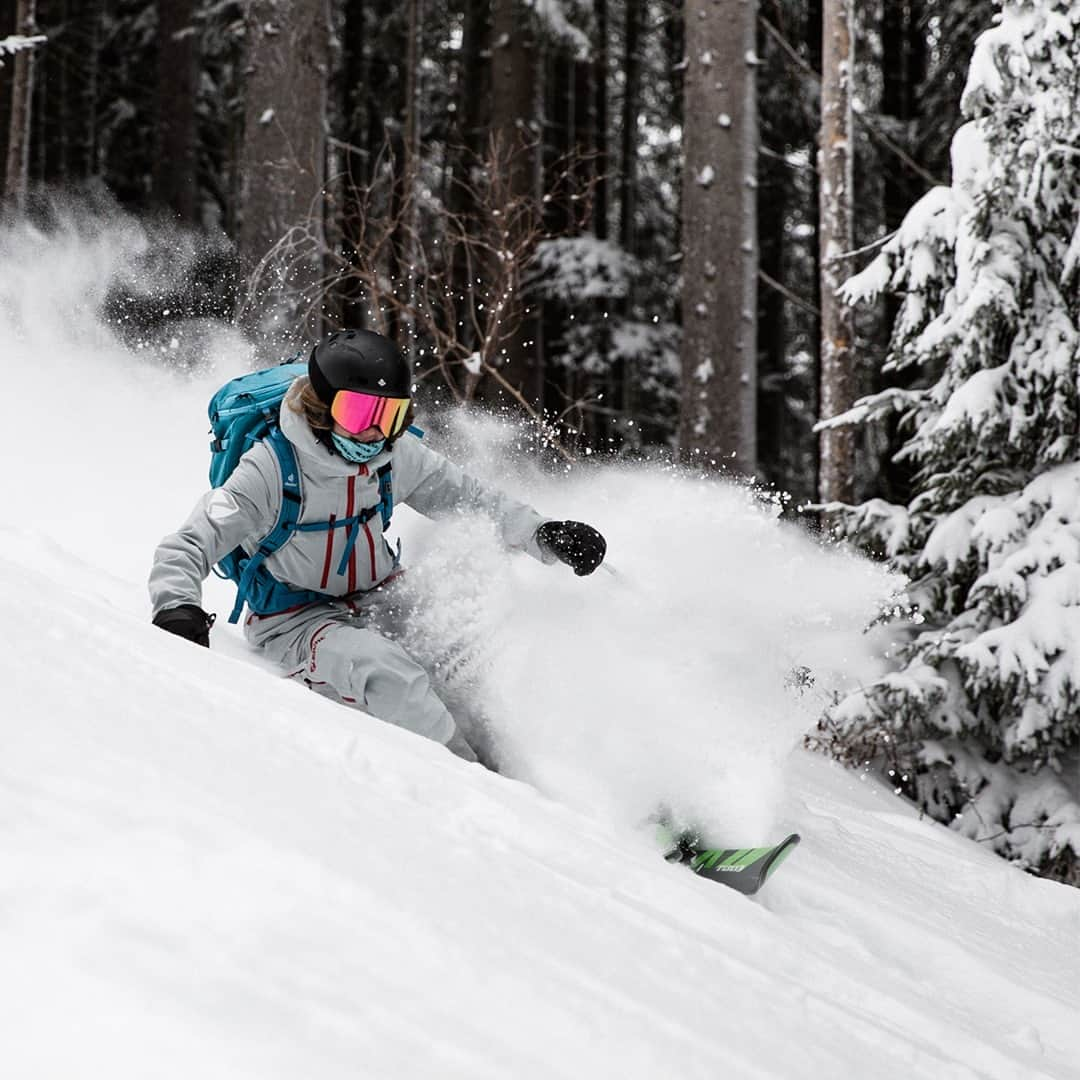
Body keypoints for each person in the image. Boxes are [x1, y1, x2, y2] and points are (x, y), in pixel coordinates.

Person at [149, 329, 606, 762]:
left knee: (482, 658)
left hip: (382, 596)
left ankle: (575, 776)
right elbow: (189, 543)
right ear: (322, 407)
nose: (373, 433)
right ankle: (490, 791)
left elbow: (471, 499)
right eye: (358, 414)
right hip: (295, 619)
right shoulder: (270, 468)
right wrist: (177, 606)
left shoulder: (394, 455)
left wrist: (544, 533)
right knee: (391, 675)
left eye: (388, 416)